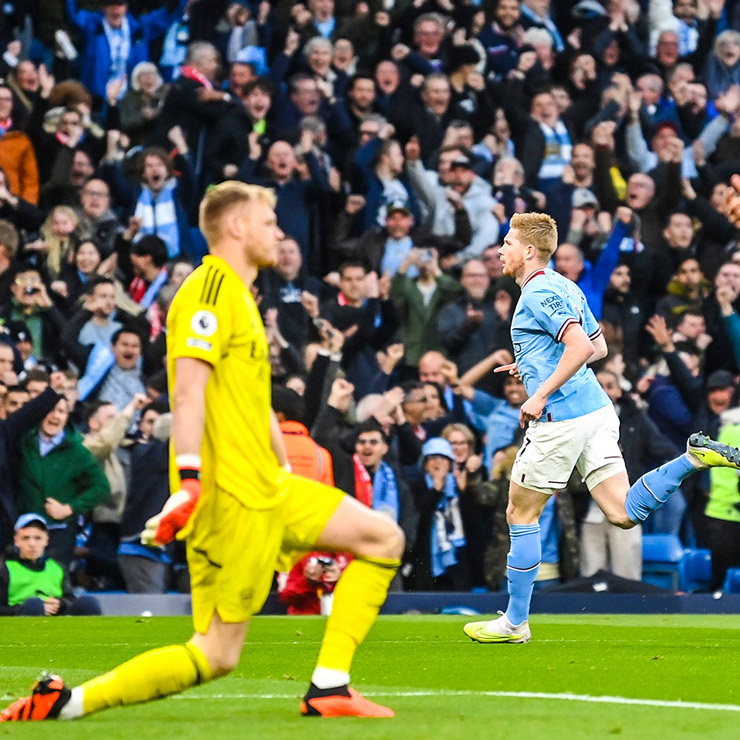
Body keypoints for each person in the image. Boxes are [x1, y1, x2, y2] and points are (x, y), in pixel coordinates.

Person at [0, 181, 403, 722]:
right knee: (216, 654)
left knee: (382, 538)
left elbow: (252, 397)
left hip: (267, 487)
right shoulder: (208, 290)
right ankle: (67, 705)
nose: (280, 234)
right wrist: (189, 479)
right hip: (229, 497)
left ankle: (330, 686)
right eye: (269, 222)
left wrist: (285, 473)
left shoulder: (241, 294)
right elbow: (188, 391)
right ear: (236, 226)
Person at [463, 212, 740, 645]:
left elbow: (580, 347)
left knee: (520, 512)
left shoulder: (537, 292)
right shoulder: (566, 286)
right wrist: (536, 362)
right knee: (622, 512)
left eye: (508, 243)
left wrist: (539, 393)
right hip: (597, 411)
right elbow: (600, 347)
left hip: (562, 418)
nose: (501, 250)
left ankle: (515, 622)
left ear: (529, 250)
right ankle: (691, 458)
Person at [0, 514, 101, 617]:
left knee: (88, 603)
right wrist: (23, 609)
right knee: (34, 605)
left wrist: (60, 604)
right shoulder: (5, 568)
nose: (32, 544)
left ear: (46, 540)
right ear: (16, 541)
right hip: (18, 624)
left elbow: (69, 598)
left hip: (55, 620)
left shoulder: (57, 567)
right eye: (26, 538)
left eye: (38, 538)